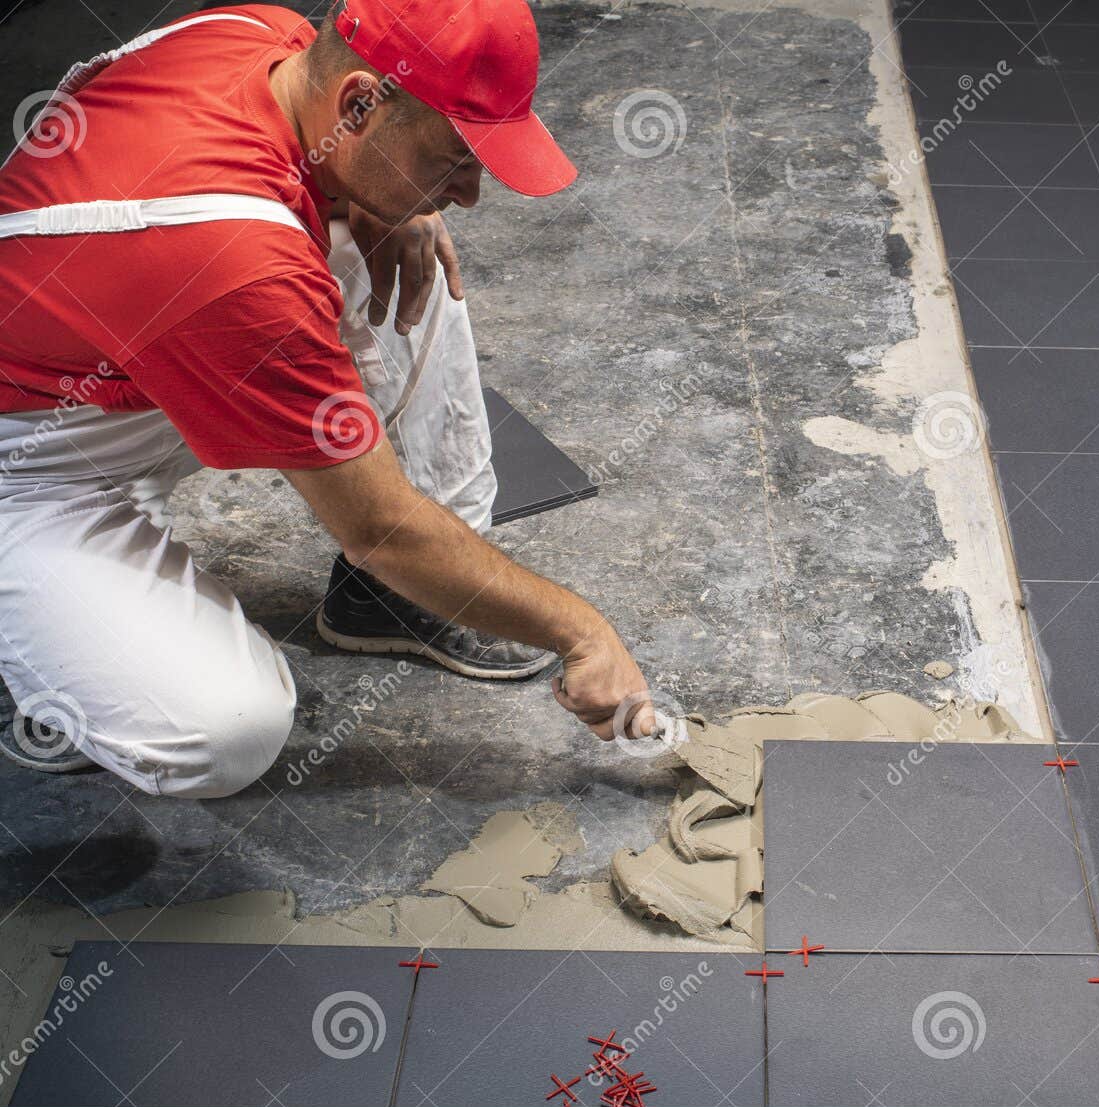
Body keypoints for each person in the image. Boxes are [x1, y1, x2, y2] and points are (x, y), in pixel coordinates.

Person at [0, 0, 656, 797]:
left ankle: (389, 606)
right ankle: (52, 669)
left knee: (403, 227)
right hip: (36, 468)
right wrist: (580, 633)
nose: (476, 191)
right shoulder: (230, 260)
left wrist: (381, 200)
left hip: (131, 352)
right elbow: (378, 525)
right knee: (224, 733)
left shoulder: (264, 36)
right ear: (358, 103)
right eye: (455, 158)